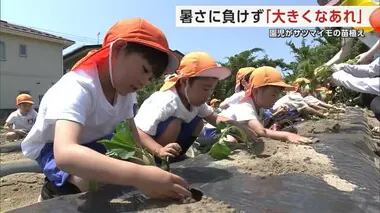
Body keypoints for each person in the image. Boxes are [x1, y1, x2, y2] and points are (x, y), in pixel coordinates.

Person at [21, 18, 192, 201]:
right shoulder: (77, 87)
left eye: (151, 79)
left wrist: (149, 161)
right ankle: (53, 193)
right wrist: (141, 176)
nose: (144, 82)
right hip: (54, 148)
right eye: (144, 70)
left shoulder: (125, 92)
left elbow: (133, 138)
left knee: (120, 167)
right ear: (118, 49)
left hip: (95, 142)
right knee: (87, 177)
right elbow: (66, 154)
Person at [134, 52, 257, 163]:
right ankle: (162, 161)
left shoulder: (194, 102)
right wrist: (159, 150)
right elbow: (138, 132)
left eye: (211, 89)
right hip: (149, 149)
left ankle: (177, 156)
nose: (208, 94)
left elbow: (215, 118)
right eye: (205, 88)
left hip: (169, 147)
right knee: (175, 123)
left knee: (198, 122)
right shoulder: (165, 101)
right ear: (185, 82)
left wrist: (241, 128)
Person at [202, 67, 313, 144]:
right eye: (273, 94)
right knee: (231, 140)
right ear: (255, 91)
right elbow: (260, 131)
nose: (276, 98)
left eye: (278, 94)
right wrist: (287, 136)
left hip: (231, 131)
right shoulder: (245, 106)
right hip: (212, 132)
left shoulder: (259, 107)